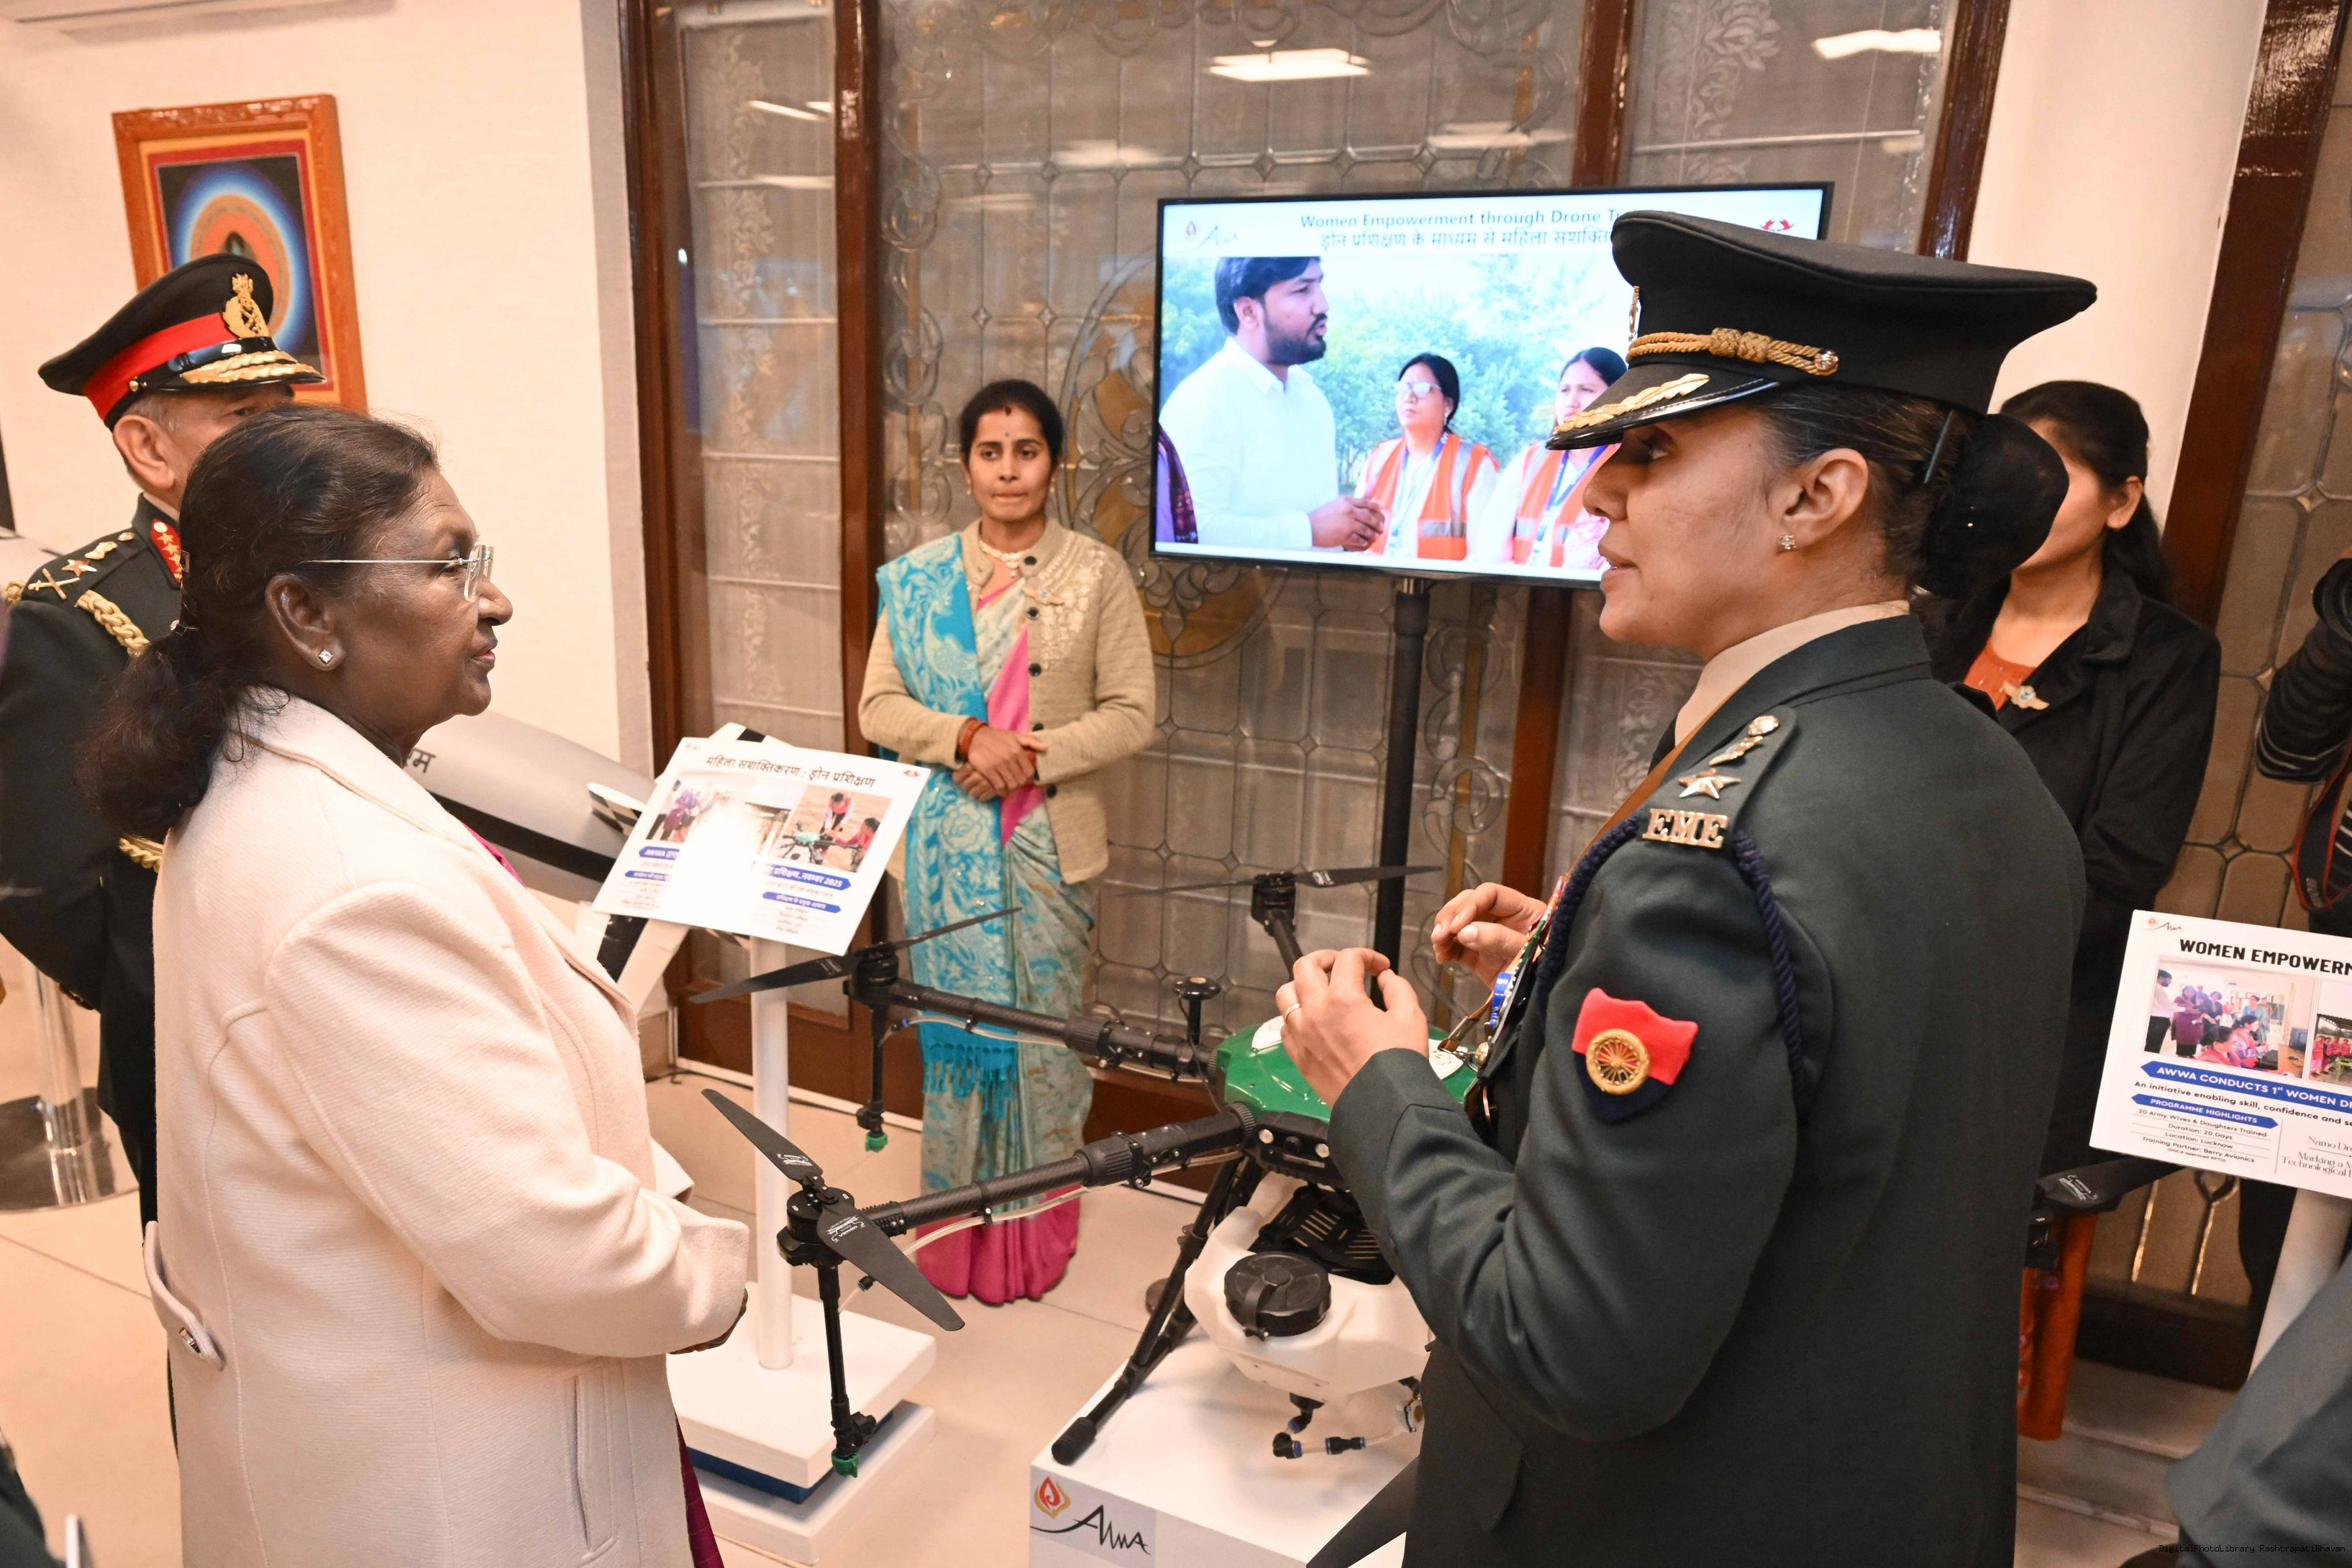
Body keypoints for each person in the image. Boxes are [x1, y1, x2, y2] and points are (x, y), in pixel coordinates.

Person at [1275, 212, 2094, 1567]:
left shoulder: (1716, 860)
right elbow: (1857, 1077)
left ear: (1817, 496)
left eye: (1651, 452)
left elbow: (1569, 1341)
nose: (1595, 494)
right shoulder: (1977, 762)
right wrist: (1578, 954)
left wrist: (1379, 1085)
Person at [79, 407, 748, 1568]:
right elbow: (544, 1245)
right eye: (449, 566)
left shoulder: (260, 777)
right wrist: (717, 1279)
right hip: (447, 1491)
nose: (494, 601)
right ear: (307, 614)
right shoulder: (348, 888)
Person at [0, 255, 319, 1226]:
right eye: (244, 418)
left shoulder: (318, 576)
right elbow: (45, 878)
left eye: (284, 411)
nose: (282, 441)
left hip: (336, 980)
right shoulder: (81, 613)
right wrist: (158, 990)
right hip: (192, 1021)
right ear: (147, 446)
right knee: (224, 1268)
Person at [859, 379, 1154, 1303]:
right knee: (957, 1041)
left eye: (1027, 451)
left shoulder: (1096, 574)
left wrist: (1025, 754)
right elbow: (878, 706)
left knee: (1045, 1046)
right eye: (991, 452)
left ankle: (1034, 1237)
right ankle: (954, 1237)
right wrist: (963, 737)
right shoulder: (918, 581)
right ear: (966, 465)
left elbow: (1133, 712)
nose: (1008, 469)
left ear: (1053, 464)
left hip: (1046, 849)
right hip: (945, 853)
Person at [1928, 379, 2219, 1172]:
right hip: (1878, 991)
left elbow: (2120, 868)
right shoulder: (1927, 622)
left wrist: (1941, 942)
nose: (2019, 498)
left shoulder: (2168, 657)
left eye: (2050, 476)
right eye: (2004, 473)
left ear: (2121, 503)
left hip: (2035, 1026)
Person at [1157, 256, 1385, 554]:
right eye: (1302, 290)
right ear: (1248, 311)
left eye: (1319, 285)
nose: (1323, 305)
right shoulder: (1203, 400)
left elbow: (1317, 529)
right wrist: (1310, 531)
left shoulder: (1311, 398)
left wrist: (1347, 534)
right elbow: (1193, 532)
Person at [1474, 347, 1626, 570]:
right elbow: (1492, 545)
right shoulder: (1531, 459)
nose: (1572, 401)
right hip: (1518, 588)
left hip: (1588, 591)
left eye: (1586, 390)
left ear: (1618, 397)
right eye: (1564, 390)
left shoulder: (1628, 464)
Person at [1354, 354, 1498, 562]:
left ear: (1447, 405)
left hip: (1445, 582)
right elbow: (1356, 537)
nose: (1409, 397)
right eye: (1403, 388)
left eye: (1421, 389)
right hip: (1378, 578)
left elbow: (1483, 554)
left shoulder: (1473, 463)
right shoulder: (1380, 457)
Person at [2149, 968, 2175, 1052]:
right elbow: (2167, 1006)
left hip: (2157, 1021)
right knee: (2155, 1045)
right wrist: (2185, 1009)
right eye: (2169, 979)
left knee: (2153, 1044)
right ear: (2161, 978)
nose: (2170, 982)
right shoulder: (2158, 987)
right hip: (2158, 1021)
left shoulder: (2155, 987)